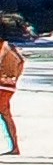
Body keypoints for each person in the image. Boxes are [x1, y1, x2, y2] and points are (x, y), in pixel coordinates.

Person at [0, 24, 26, 156]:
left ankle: (15, 147)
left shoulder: (3, 46)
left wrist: (10, 76)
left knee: (5, 115)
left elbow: (20, 61)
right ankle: (15, 147)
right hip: (8, 86)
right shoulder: (10, 47)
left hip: (2, 86)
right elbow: (21, 61)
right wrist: (15, 77)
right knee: (6, 116)